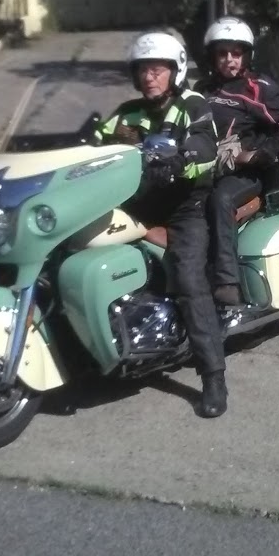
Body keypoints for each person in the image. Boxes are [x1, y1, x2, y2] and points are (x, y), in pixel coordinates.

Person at [93, 31, 230, 418]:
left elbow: (205, 145)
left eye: (158, 69)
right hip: (138, 203)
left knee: (188, 277)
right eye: (143, 70)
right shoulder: (127, 113)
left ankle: (213, 377)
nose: (150, 76)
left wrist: (180, 159)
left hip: (185, 206)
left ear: (175, 71)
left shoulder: (192, 104)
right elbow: (95, 144)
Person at [199, 16, 279, 306]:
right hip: (204, 169)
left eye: (236, 53)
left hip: (246, 174)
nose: (229, 59)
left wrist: (266, 150)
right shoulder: (203, 89)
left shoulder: (260, 88)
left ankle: (227, 282)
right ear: (212, 56)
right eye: (222, 53)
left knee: (220, 199)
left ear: (247, 55)